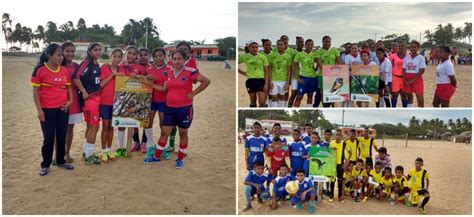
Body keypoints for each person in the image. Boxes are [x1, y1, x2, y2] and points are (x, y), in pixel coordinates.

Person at [144, 49, 210, 169]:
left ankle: (180, 159)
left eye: (179, 58)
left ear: (185, 60)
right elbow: (163, 89)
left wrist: (193, 93)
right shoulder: (169, 72)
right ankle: (157, 156)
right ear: (171, 60)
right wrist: (149, 84)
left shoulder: (190, 72)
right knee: (164, 132)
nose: (177, 61)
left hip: (184, 108)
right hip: (169, 107)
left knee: (183, 133)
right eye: (174, 59)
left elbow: (206, 81)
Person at [32, 44, 74, 176]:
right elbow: (35, 92)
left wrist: (70, 101)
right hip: (47, 109)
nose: (61, 57)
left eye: (62, 55)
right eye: (58, 55)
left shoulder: (64, 70)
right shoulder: (40, 70)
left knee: (62, 135)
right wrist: (39, 111)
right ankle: (45, 164)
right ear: (49, 55)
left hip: (62, 108)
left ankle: (61, 161)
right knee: (49, 137)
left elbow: (68, 88)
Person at [73, 42, 103, 165]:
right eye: (95, 50)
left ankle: (87, 152)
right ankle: (89, 155)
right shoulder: (86, 63)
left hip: (97, 99)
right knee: (94, 127)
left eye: (99, 50)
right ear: (89, 51)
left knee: (90, 127)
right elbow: (76, 77)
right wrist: (83, 91)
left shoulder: (97, 65)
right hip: (89, 100)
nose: (98, 52)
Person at [142, 48, 172, 160]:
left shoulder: (169, 70)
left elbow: (165, 88)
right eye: (156, 56)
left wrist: (150, 82)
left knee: (163, 124)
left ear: (164, 56)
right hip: (150, 100)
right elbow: (143, 81)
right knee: (147, 123)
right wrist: (144, 78)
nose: (158, 58)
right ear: (153, 57)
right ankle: (151, 145)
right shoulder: (149, 69)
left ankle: (162, 147)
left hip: (164, 101)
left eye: (160, 55)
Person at [117, 46, 146, 157]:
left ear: (136, 56)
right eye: (129, 53)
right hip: (121, 98)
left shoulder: (140, 68)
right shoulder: (120, 66)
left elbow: (145, 81)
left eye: (134, 54)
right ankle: (121, 148)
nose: (131, 56)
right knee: (121, 124)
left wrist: (138, 77)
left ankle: (137, 143)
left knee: (134, 123)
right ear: (126, 54)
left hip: (135, 99)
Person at [99, 48, 124, 162]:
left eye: (119, 57)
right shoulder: (104, 67)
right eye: (115, 56)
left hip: (117, 103)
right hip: (105, 102)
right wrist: (113, 75)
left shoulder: (122, 69)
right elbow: (101, 84)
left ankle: (109, 150)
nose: (117, 59)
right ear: (111, 56)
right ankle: (103, 151)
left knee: (112, 127)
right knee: (105, 126)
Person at [61, 42, 80, 163]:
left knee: (70, 129)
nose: (70, 53)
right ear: (62, 52)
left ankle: (67, 153)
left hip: (74, 100)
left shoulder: (77, 66)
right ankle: (58, 154)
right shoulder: (58, 66)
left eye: (72, 51)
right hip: (61, 100)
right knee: (59, 129)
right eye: (67, 51)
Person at [238, 41, 269, 107]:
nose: (255, 49)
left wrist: (266, 84)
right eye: (253, 47)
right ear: (249, 48)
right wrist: (243, 72)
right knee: (253, 101)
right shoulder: (244, 56)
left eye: (256, 47)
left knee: (262, 101)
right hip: (250, 81)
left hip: (261, 80)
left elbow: (266, 71)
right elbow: (236, 63)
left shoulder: (263, 57)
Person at [133, 48, 152, 152]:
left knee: (145, 120)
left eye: (145, 54)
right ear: (137, 56)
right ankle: (136, 142)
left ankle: (144, 143)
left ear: (149, 56)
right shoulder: (133, 67)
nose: (143, 57)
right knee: (133, 120)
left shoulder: (151, 67)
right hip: (134, 96)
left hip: (147, 97)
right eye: (141, 55)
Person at [314, 35, 340, 107]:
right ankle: (326, 107)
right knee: (323, 93)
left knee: (333, 92)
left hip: (333, 76)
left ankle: (332, 107)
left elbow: (339, 63)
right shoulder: (318, 52)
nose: (328, 43)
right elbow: (320, 66)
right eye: (326, 41)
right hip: (322, 75)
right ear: (322, 42)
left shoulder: (335, 50)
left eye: (329, 42)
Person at [292, 39, 317, 107]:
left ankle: (308, 111)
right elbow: (293, 66)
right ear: (305, 45)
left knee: (310, 96)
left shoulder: (314, 54)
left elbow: (319, 63)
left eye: (311, 45)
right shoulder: (299, 54)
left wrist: (316, 68)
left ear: (313, 46)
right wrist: (297, 78)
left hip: (312, 78)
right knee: (299, 97)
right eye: (308, 44)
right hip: (303, 78)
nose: (310, 46)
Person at [267, 39, 292, 107]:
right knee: (274, 97)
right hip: (274, 80)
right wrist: (270, 81)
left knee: (281, 97)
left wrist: (287, 82)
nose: (279, 46)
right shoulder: (272, 55)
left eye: (281, 44)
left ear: (284, 46)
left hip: (283, 80)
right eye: (278, 45)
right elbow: (270, 68)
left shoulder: (288, 56)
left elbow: (289, 70)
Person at [402, 40, 426, 107]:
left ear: (418, 48)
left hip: (417, 79)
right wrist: (404, 80)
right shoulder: (407, 58)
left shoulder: (421, 58)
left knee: (420, 97)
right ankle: (411, 108)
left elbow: (422, 70)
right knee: (409, 96)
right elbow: (403, 69)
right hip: (407, 79)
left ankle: (421, 111)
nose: (413, 48)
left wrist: (413, 80)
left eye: (415, 47)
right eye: (411, 47)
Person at [390, 42, 409, 107]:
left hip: (404, 78)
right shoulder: (393, 56)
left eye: (402, 46)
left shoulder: (408, 56)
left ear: (405, 47)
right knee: (395, 95)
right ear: (397, 47)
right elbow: (390, 67)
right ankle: (393, 110)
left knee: (404, 95)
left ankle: (405, 109)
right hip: (395, 77)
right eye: (399, 46)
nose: (401, 47)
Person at [288, 36, 305, 107]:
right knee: (294, 93)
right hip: (295, 76)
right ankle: (289, 107)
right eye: (299, 42)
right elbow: (291, 65)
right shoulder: (292, 52)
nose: (301, 43)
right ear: (296, 43)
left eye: (302, 42)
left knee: (300, 95)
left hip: (303, 76)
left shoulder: (305, 52)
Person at [329, 129, 345, 202]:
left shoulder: (343, 144)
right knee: (332, 180)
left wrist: (345, 164)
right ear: (335, 135)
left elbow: (350, 153)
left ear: (341, 136)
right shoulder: (332, 143)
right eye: (336, 134)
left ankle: (339, 196)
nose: (338, 136)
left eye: (339, 135)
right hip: (333, 165)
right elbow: (328, 154)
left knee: (340, 181)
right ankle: (331, 195)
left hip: (340, 165)